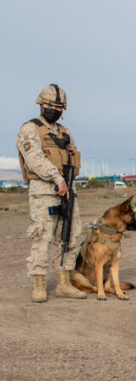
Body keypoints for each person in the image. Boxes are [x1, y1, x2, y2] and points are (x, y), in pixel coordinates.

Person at [16, 84, 86, 302]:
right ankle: (38, 284)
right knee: (42, 237)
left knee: (70, 236)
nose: (54, 109)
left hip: (67, 189)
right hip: (44, 190)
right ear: (41, 105)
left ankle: (63, 283)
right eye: (50, 105)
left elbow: (73, 156)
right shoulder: (30, 129)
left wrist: (67, 182)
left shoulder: (65, 132)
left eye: (58, 106)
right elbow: (35, 159)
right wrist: (56, 178)